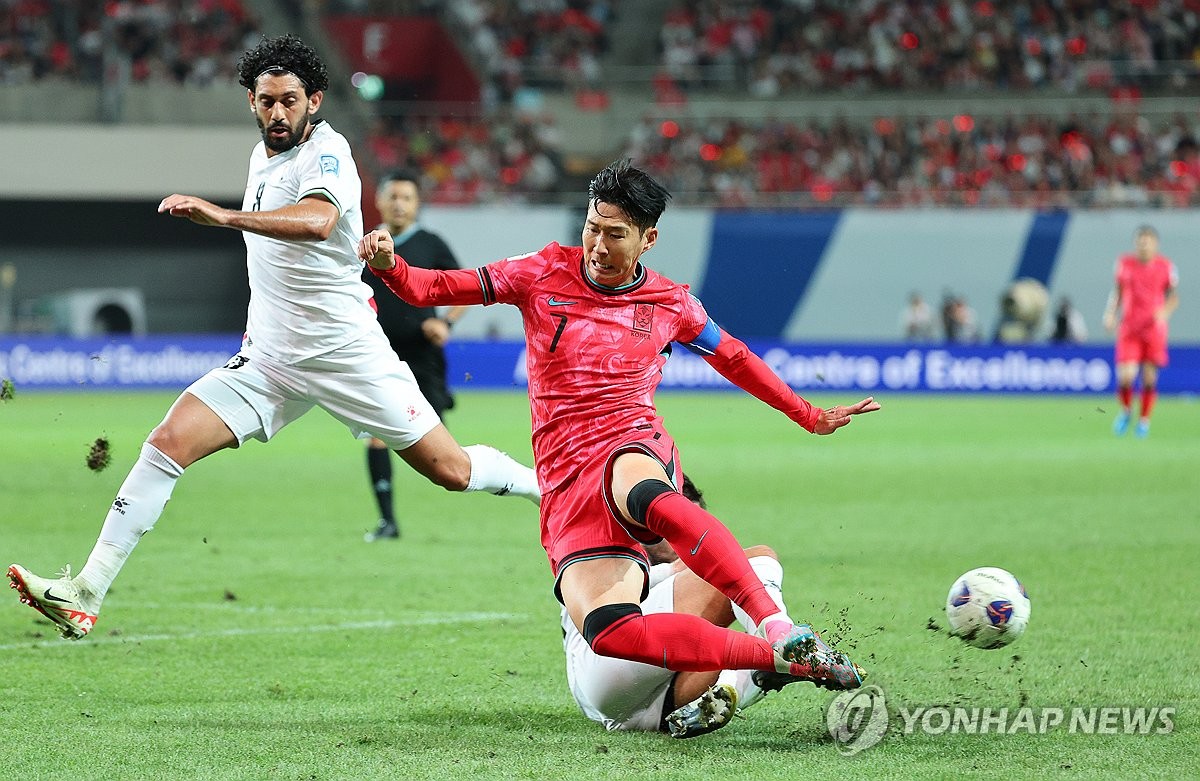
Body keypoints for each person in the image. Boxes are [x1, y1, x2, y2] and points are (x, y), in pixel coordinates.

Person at [7, 34, 539, 640]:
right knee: (168, 440)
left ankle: (545, 491)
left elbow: (317, 222)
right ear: (251, 103)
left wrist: (224, 216)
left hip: (345, 354)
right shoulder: (263, 157)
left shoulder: (329, 153)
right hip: (271, 359)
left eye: (290, 100)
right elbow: (274, 263)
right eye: (266, 101)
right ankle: (86, 591)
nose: (278, 113)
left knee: (452, 469)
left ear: (314, 99)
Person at [358, 159, 880, 695]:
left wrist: (809, 415)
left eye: (615, 234)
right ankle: (780, 659)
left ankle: (776, 624)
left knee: (645, 492)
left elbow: (736, 358)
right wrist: (391, 267)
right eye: (592, 227)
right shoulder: (540, 273)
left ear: (647, 238)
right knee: (610, 633)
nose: (598, 245)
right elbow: (436, 288)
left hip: (632, 442)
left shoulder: (671, 302)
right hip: (566, 481)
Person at [564, 475, 823, 738]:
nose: (688, 541)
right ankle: (782, 643)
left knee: (725, 647)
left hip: (642, 708)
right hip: (606, 666)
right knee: (757, 559)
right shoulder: (607, 542)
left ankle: (751, 675)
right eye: (678, 529)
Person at [362, 170, 471, 542]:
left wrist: (446, 325)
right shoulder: (362, 245)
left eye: (406, 197)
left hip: (423, 358)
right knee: (378, 436)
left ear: (416, 203)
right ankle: (387, 522)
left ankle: (501, 479)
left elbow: (464, 289)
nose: (398, 203)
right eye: (392, 196)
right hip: (378, 356)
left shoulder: (430, 243)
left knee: (440, 453)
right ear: (378, 201)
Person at [1102, 224, 1179, 438]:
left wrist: (1164, 312)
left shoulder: (1166, 266)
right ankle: (1126, 410)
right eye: (1140, 240)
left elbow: (1173, 297)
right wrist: (1109, 314)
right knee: (1125, 376)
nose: (1143, 244)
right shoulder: (1124, 264)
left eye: (1147, 240)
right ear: (1135, 243)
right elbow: (1117, 293)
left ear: (1155, 243)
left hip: (1153, 330)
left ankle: (1144, 421)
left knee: (1148, 379)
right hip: (1129, 328)